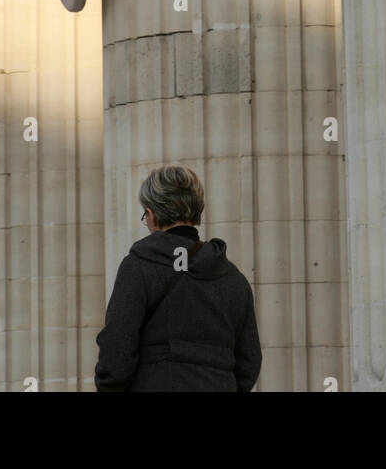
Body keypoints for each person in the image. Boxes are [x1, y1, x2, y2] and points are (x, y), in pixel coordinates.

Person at [94, 164, 262, 392]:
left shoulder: (140, 266)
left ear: (151, 215)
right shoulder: (234, 279)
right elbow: (249, 360)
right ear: (197, 211)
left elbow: (117, 346)